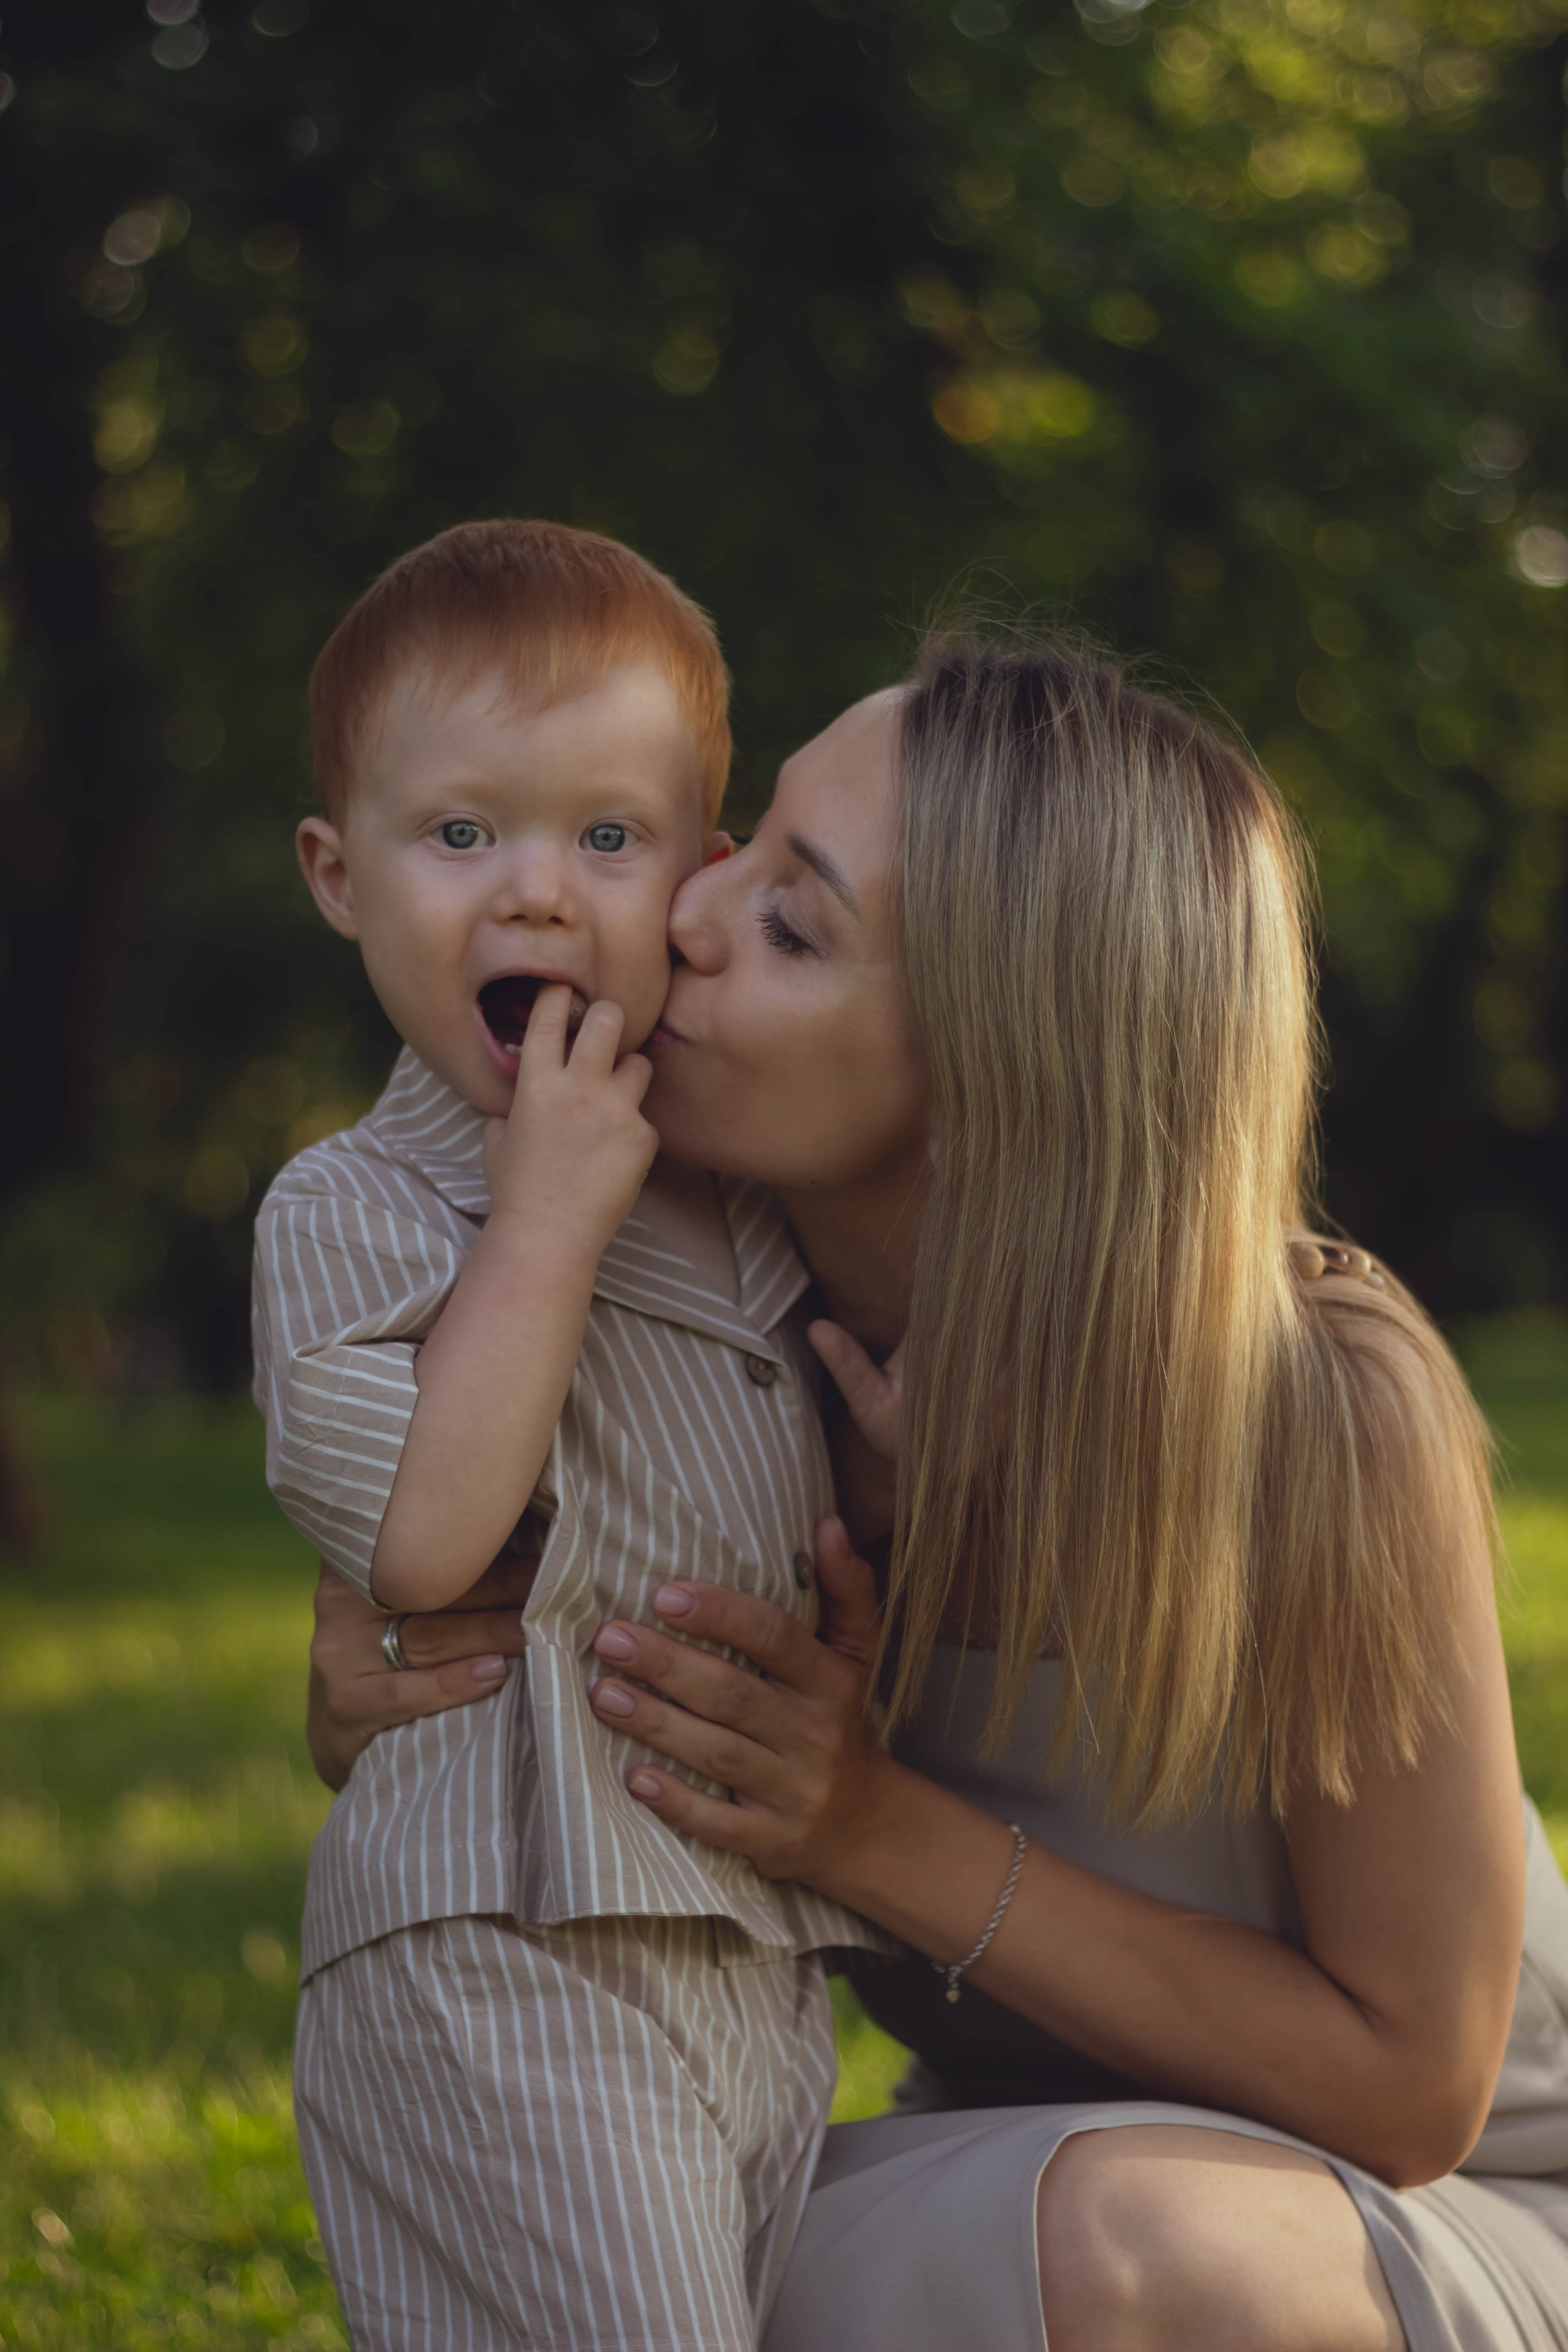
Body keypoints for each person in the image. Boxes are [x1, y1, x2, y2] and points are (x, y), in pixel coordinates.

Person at [310, 633, 1568, 2351]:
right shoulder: (651, 1332)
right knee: (621, 2246)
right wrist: (400, 1678)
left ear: (998, 1077)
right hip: (1007, 2164)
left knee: (1120, 2252)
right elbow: (478, 1679)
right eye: (743, 840)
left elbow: (1413, 2088)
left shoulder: (1319, 1409)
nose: (689, 905)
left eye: (792, 923)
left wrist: (871, 1827)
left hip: (1423, 2213)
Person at [252, 519, 887, 2352]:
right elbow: (426, 1539)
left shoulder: (746, 1199)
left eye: (604, 838)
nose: (534, 894)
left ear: (694, 870)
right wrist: (537, 1230)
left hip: (739, 1957)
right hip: (498, 1938)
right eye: (461, 834)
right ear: (338, 875)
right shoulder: (355, 1205)